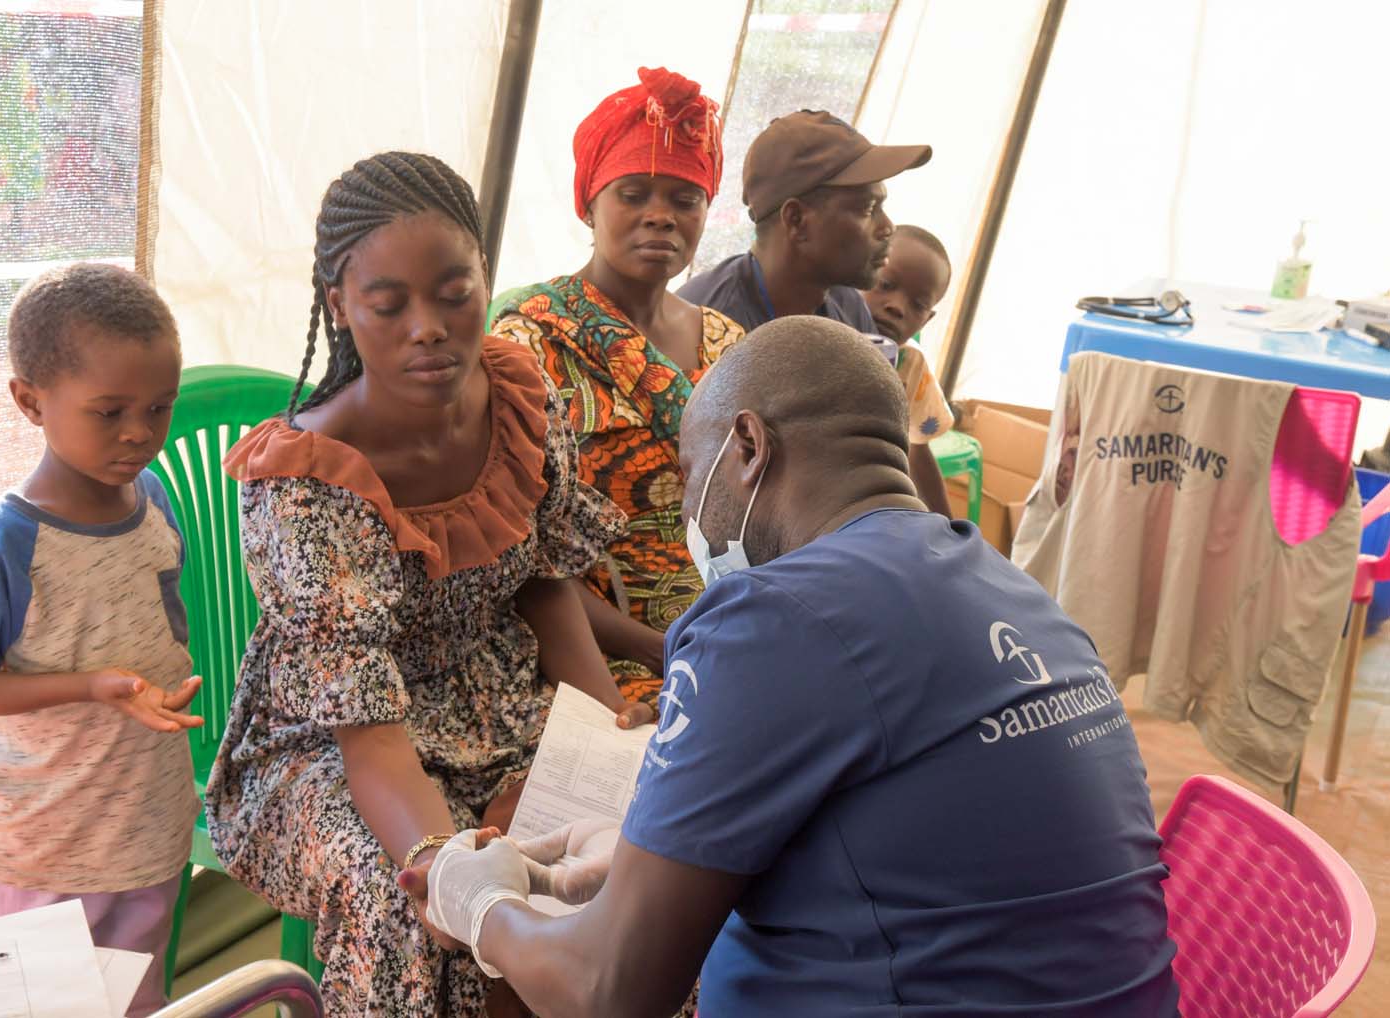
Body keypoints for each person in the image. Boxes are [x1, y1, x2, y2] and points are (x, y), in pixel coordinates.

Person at [415, 316, 1181, 1018]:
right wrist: (652, 850)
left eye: (688, 475)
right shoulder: (1017, 593)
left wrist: (482, 908)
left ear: (746, 447)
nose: (688, 513)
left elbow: (607, 990)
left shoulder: (771, 617)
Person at [204, 151, 649, 1018]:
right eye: (388, 303)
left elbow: (545, 583)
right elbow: (369, 738)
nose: (430, 326)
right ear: (339, 304)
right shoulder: (309, 484)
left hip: (495, 699)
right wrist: (443, 864)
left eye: (455, 292)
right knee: (406, 909)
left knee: (630, 840)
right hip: (332, 740)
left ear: (486, 276)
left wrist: (604, 737)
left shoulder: (519, 393)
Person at [0, 263, 202, 1017]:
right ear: (29, 401)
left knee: (133, 1000)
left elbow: (161, 633)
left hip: (145, 826)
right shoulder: (4, 541)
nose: (139, 432)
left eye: (158, 407)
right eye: (109, 412)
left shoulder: (153, 499)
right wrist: (89, 686)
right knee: (29, 1005)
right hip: (47, 845)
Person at [492, 66, 743, 706]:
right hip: (586, 650)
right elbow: (518, 556)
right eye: (633, 193)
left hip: (727, 633)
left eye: (685, 200)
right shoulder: (532, 342)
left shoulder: (729, 344)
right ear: (590, 202)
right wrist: (663, 651)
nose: (660, 217)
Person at [678, 110, 952, 516]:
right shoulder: (708, 323)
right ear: (797, 220)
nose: (887, 227)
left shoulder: (845, 307)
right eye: (867, 209)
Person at [861, 223, 957, 448]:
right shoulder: (819, 332)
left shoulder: (911, 367)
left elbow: (917, 447)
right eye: (885, 285)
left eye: (919, 305)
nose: (897, 307)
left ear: (927, 320)